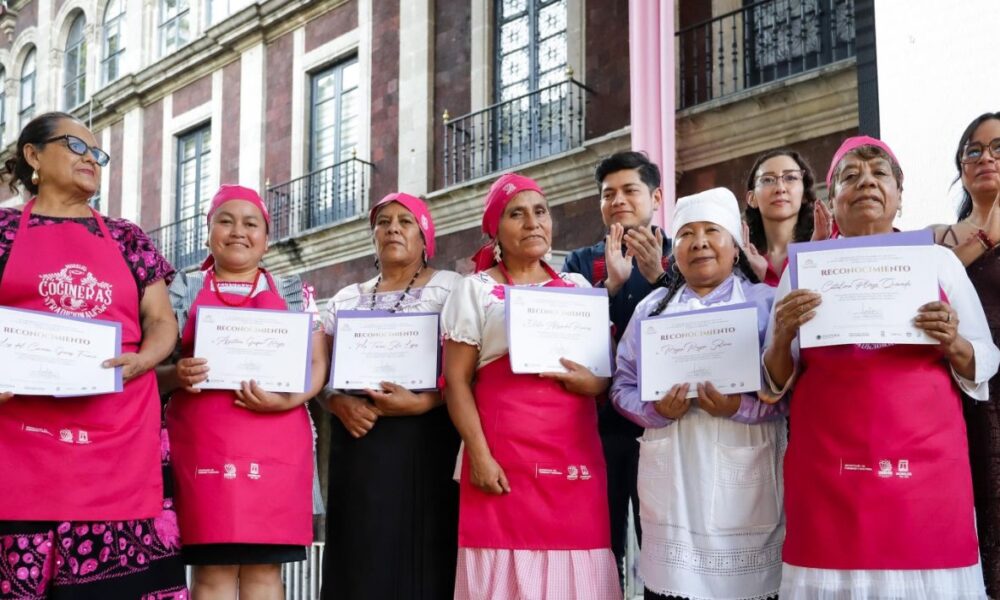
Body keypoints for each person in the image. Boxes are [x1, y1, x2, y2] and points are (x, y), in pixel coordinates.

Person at [763, 135, 1000, 599]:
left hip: (925, 471)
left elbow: (985, 358)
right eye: (850, 176)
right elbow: (774, 377)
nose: (866, 182)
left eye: (879, 174)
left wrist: (954, 342)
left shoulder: (938, 263)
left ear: (899, 195)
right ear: (832, 202)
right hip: (830, 471)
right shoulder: (803, 270)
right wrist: (782, 334)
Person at [0, 112, 186, 599]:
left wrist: (146, 360)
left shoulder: (127, 237)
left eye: (97, 153)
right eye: (76, 146)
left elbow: (163, 322)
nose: (91, 159)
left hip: (119, 442)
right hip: (19, 444)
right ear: (34, 156)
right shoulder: (0, 229)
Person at [442, 173, 621, 599]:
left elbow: (601, 377)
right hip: (503, 463)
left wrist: (591, 380)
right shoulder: (476, 291)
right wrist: (480, 458)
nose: (532, 223)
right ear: (496, 230)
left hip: (572, 460)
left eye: (540, 212)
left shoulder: (578, 289)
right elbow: (455, 382)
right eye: (516, 214)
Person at [611, 188, 784, 600]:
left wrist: (738, 406)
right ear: (675, 251)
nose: (700, 242)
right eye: (687, 233)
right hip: (674, 483)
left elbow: (790, 393)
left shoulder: (766, 305)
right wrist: (655, 411)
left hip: (748, 481)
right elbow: (621, 385)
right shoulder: (650, 311)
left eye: (712, 231)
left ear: (736, 248)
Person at [160, 184, 329, 599]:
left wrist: (288, 399)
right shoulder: (180, 289)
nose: (239, 232)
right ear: (208, 233)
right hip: (203, 450)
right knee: (213, 573)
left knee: (265, 572)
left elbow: (317, 364)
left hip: (276, 449)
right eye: (226, 221)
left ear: (266, 239)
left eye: (250, 223)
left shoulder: (294, 292)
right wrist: (177, 374)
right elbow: (150, 368)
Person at [319, 192, 461, 599]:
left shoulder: (449, 289)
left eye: (405, 221)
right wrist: (336, 402)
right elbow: (319, 374)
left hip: (426, 440)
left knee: (425, 552)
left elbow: (468, 368)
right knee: (360, 554)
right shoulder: (347, 299)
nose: (393, 228)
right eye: (383, 222)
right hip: (358, 438)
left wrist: (423, 402)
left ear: (424, 237)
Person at [562, 151, 671, 584]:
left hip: (664, 423)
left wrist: (659, 276)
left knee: (661, 540)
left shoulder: (682, 254)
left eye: (630, 190)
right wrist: (611, 287)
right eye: (608, 194)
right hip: (597, 426)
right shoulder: (579, 263)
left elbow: (697, 325)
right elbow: (566, 333)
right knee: (600, 543)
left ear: (656, 196)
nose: (618, 201)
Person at [931, 112, 1000, 596]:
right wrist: (982, 240)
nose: (985, 158)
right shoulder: (939, 238)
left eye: (997, 148)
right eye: (973, 151)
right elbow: (920, 287)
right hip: (972, 395)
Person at [743, 149, 827, 286]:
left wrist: (813, 252)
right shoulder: (739, 260)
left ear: (805, 194)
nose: (780, 188)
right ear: (752, 198)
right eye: (767, 180)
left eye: (790, 178)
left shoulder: (825, 245)